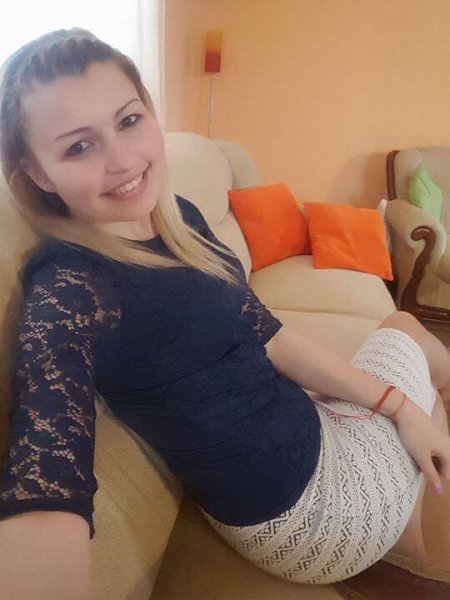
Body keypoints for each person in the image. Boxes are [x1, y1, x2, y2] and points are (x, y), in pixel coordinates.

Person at [0, 28, 449, 599]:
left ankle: (416, 492)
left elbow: (267, 334)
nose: (123, 160)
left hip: (308, 439)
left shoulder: (178, 218)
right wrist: (405, 406)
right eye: (78, 147)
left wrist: (402, 408)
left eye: (129, 121)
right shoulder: (71, 285)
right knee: (408, 328)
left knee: (410, 377)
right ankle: (413, 516)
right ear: (39, 173)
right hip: (312, 514)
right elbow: (45, 468)